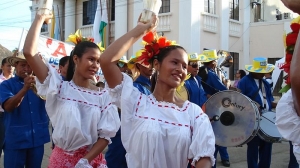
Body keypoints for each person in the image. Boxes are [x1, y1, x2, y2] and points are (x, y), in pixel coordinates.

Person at [99, 16, 215, 168]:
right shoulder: (136, 102)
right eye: (174, 62)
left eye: (184, 66)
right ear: (156, 64)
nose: (180, 69)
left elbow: (204, 157)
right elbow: (106, 60)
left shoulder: (194, 113)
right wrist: (141, 29)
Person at [22, 13, 120, 167]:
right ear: (76, 59)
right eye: (91, 59)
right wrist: (40, 17)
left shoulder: (102, 95)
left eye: (98, 61)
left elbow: (105, 136)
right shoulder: (59, 88)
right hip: (61, 161)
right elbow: (29, 52)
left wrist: (85, 160)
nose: (95, 65)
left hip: (91, 162)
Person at [0, 52, 50, 168]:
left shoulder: (41, 84)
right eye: (23, 65)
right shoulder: (6, 85)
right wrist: (25, 88)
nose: (27, 69)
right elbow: (8, 106)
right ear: (16, 65)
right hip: (16, 139)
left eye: (30, 65)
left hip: (37, 138)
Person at [105, 54, 153, 168]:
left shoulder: (154, 85)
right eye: (146, 63)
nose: (150, 66)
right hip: (125, 129)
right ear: (139, 66)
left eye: (152, 63)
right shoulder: (135, 87)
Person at [237, 57, 276, 168]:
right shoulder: (244, 82)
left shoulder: (265, 83)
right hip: (252, 120)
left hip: (266, 119)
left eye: (264, 72)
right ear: (253, 70)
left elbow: (270, 100)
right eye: (260, 72)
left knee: (267, 148)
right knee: (253, 148)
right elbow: (238, 101)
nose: (263, 74)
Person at [198, 49, 230, 167]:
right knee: (218, 136)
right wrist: (227, 85)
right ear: (213, 62)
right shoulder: (211, 73)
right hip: (214, 108)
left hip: (204, 107)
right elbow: (222, 90)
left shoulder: (201, 72)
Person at [0, 57, 14, 158]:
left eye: (13, 66)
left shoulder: (17, 81)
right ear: (2, 67)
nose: (11, 68)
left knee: (10, 145)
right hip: (1, 116)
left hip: (13, 116)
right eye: (8, 65)